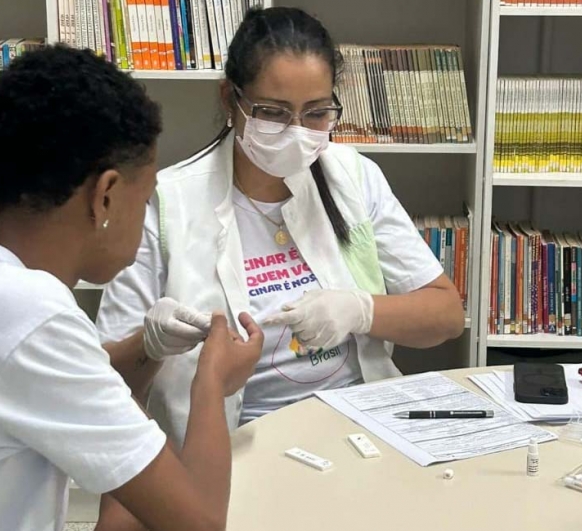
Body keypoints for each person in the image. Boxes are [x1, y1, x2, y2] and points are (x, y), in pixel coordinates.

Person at [0, 45, 262, 531]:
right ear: (106, 197)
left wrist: (149, 348)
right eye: (145, 199)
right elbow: (199, 522)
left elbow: (65, 385)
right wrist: (213, 383)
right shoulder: (32, 316)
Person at [97, 6, 465, 448]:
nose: (296, 131)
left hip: (360, 428)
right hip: (236, 444)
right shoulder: (167, 203)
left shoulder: (352, 177)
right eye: (272, 112)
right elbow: (105, 381)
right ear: (230, 99)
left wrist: (361, 310)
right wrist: (150, 343)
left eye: (316, 113)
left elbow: (446, 315)